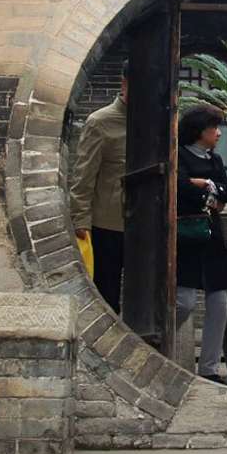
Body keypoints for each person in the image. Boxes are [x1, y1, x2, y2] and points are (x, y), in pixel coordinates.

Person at [175, 105, 227, 385]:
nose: (218, 133)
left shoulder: (215, 159)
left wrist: (206, 186)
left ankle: (210, 368)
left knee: (220, 301)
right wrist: (210, 192)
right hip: (186, 235)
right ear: (201, 131)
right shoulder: (179, 156)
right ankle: (157, 348)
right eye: (214, 128)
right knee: (184, 302)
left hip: (212, 236)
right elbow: (181, 188)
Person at [69, 75, 127, 309]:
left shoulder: (157, 121)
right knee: (107, 295)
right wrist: (80, 219)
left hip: (147, 224)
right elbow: (84, 175)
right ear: (124, 84)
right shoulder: (100, 122)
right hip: (108, 224)